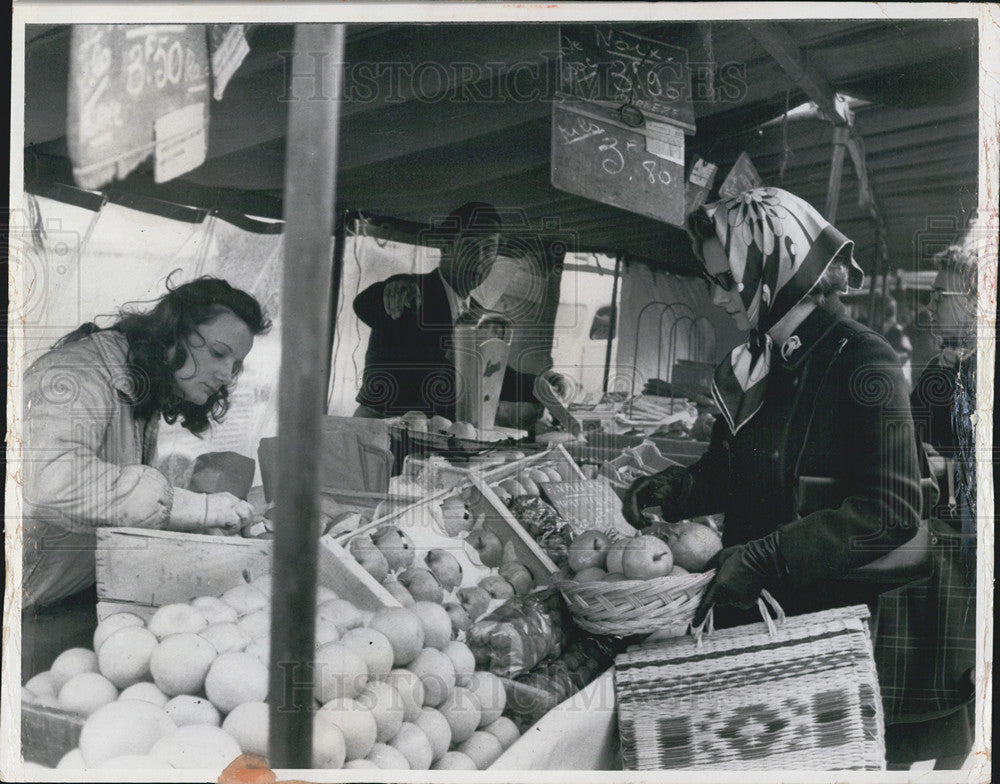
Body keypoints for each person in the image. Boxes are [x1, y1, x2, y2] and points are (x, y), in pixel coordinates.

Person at [622, 186, 922, 625]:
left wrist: (771, 557)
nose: (718, 299)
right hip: (744, 612)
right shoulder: (756, 363)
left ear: (779, 268)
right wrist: (681, 489)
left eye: (728, 281)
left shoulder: (862, 358)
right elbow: (733, 474)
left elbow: (893, 511)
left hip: (816, 623)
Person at [21, 275, 271, 676]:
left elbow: (111, 497)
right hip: (28, 607)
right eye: (220, 353)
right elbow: (48, 480)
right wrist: (195, 508)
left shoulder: (138, 384)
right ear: (172, 333)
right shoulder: (74, 376)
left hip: (67, 592)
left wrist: (190, 527)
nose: (226, 374)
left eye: (235, 364)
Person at [352, 201, 562, 425]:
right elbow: (365, 305)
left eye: (490, 248)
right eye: (472, 245)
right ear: (446, 246)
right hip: (383, 431)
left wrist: (542, 385)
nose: (481, 258)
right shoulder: (413, 293)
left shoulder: (476, 316)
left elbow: (491, 373)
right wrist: (392, 287)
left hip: (434, 436)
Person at [910, 244, 977, 533]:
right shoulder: (938, 367)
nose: (930, 306)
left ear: (973, 303)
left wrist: (944, 469)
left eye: (939, 297)